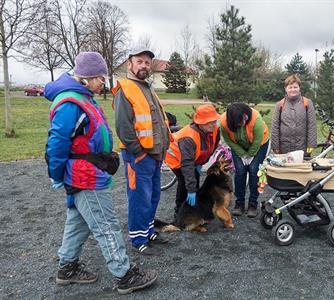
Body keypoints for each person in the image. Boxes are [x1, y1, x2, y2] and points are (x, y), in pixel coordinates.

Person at [45, 52, 157, 294]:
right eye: (100, 78)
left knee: (79, 222)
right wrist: (56, 174)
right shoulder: (70, 103)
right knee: (106, 224)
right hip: (84, 175)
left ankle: (67, 268)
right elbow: (57, 142)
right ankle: (124, 274)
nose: (102, 83)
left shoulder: (82, 97)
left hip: (89, 170)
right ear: (87, 77)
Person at [112, 49, 171, 255]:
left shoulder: (147, 88)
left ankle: (148, 231)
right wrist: (139, 152)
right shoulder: (125, 89)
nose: (144, 65)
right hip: (139, 156)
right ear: (130, 63)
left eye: (147, 62)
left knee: (153, 196)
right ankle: (138, 240)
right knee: (139, 199)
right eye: (140, 61)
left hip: (154, 156)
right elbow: (123, 127)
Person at [165, 104, 221, 217]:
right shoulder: (188, 138)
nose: (213, 124)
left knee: (194, 178)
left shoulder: (215, 130)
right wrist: (191, 189)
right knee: (185, 181)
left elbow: (212, 147)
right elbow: (187, 165)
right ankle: (179, 210)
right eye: (209, 122)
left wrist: (201, 163)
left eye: (214, 121)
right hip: (176, 158)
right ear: (200, 122)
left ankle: (192, 208)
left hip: (192, 159)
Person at [220, 102, 270, 217]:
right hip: (238, 145)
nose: (243, 122)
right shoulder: (224, 123)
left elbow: (257, 141)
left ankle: (253, 204)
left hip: (259, 145)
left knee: (254, 170)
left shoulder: (256, 119)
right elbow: (229, 141)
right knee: (240, 170)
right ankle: (239, 203)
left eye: (244, 118)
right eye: (239, 121)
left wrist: (250, 155)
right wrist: (242, 154)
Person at [270, 74, 317, 155]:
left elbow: (311, 125)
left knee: (300, 167)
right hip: (284, 148)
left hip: (302, 148)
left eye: (295, 87)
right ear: (285, 89)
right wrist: (275, 146)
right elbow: (275, 126)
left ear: (299, 88)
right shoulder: (280, 104)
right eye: (290, 87)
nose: (293, 90)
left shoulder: (307, 103)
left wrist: (311, 144)